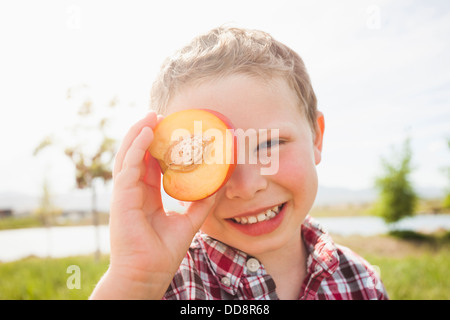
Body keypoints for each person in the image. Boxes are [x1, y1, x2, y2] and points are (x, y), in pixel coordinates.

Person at [90, 26, 388, 300]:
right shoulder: (163, 288)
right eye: (208, 157)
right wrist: (134, 280)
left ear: (316, 139)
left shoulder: (363, 282)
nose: (246, 187)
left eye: (270, 144)